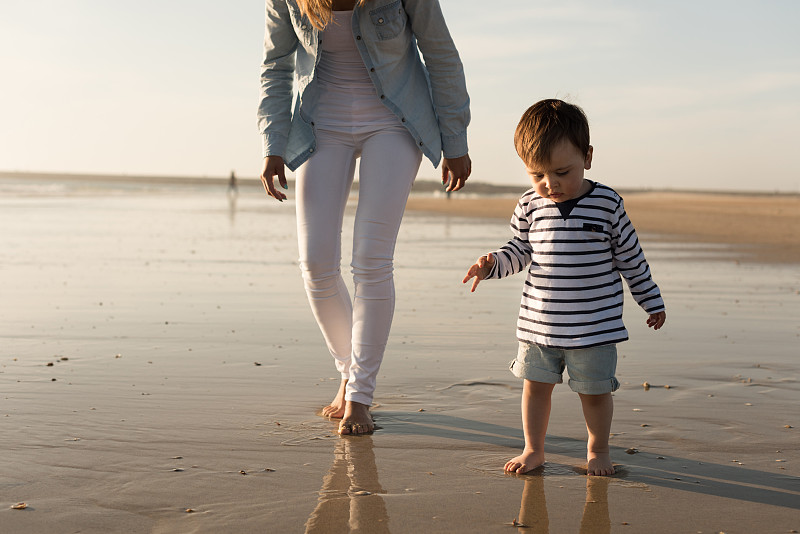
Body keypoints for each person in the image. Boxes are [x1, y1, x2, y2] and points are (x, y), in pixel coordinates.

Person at [258, 0, 471, 435]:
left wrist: (455, 139)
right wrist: (272, 144)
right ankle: (350, 372)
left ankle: (359, 396)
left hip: (395, 122)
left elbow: (441, 53)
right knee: (316, 263)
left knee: (371, 260)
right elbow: (276, 66)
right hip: (320, 125)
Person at [463, 99, 665, 475]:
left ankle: (598, 450)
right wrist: (491, 265)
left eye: (561, 172)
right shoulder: (529, 205)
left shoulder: (607, 203)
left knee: (595, 393)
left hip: (594, 329)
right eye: (536, 174)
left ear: (587, 157)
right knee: (535, 390)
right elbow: (519, 251)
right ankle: (533, 449)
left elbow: (630, 258)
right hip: (538, 327)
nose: (549, 184)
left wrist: (650, 300)